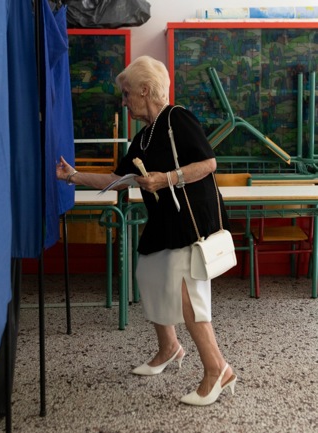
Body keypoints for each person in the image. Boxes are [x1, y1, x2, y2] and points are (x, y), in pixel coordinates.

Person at [56, 55, 237, 406]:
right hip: (164, 221)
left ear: (144, 89)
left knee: (188, 295)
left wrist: (166, 178)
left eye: (126, 94)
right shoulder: (142, 138)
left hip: (189, 221)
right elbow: (116, 180)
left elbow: (208, 163)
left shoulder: (177, 118)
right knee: (149, 274)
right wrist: (72, 176)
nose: (124, 102)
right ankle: (169, 348)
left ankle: (218, 369)